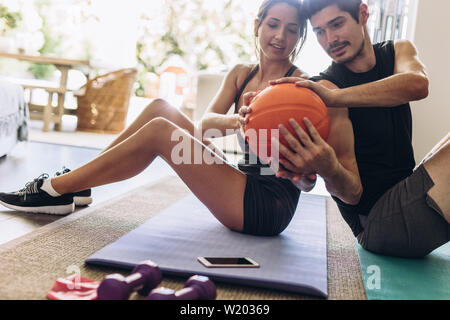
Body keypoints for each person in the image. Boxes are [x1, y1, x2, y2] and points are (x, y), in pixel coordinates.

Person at [0, 0, 361, 237]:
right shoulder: (241, 74)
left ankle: (53, 191)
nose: (281, 36)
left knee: (161, 132)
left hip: (265, 204)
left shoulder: (301, 86)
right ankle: (76, 183)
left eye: (293, 29)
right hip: (240, 178)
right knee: (160, 108)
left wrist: (305, 164)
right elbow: (205, 125)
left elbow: (304, 176)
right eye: (273, 24)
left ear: (300, 38)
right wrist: (238, 122)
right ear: (257, 26)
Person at [269, 0, 449, 257]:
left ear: (363, 14)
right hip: (376, 223)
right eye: (320, 31)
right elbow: (352, 194)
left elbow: (418, 85)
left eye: (337, 24)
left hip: (406, 193)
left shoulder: (397, 50)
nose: (330, 39)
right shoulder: (327, 85)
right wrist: (325, 168)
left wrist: (337, 98)